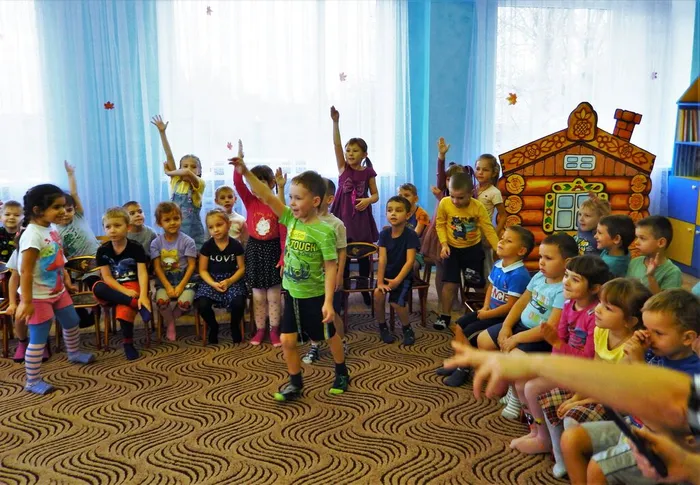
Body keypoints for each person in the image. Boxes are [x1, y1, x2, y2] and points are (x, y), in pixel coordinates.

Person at [230, 145, 349, 401]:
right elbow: (266, 194)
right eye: (291, 197)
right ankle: (295, 382)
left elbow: (331, 266)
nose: (291, 202)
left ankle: (341, 371)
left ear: (315, 201)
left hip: (315, 296)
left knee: (329, 337)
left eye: (297, 198)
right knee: (287, 340)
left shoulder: (325, 231)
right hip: (292, 294)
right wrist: (244, 171)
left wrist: (328, 302)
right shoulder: (289, 218)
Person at [564, 289, 700, 484]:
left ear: (687, 338)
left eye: (658, 333)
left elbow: (662, 416)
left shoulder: (691, 376)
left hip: (662, 443)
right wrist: (631, 355)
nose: (649, 337)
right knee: (571, 438)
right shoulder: (653, 351)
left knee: (598, 467)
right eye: (647, 329)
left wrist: (639, 365)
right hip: (634, 426)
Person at [536, 277, 650, 477]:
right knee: (550, 398)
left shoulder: (632, 347)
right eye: (600, 303)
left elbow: (614, 388)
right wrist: (575, 397)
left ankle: (586, 464)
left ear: (630, 321)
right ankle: (562, 458)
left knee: (572, 416)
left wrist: (579, 402)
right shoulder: (601, 331)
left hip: (618, 401)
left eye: (608, 308)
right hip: (598, 389)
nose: (597, 309)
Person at [508, 256, 610, 458]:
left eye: (575, 279)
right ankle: (536, 430)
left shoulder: (595, 316)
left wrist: (556, 345)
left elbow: (587, 357)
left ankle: (544, 439)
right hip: (563, 363)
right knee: (520, 380)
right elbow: (560, 338)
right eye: (566, 275)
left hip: (581, 373)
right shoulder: (569, 304)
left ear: (594, 288)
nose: (566, 282)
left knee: (531, 387)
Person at [476, 233, 578, 420]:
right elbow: (521, 302)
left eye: (548, 258)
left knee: (514, 359)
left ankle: (516, 397)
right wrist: (506, 326)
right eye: (540, 257)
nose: (541, 262)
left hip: (539, 338)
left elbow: (550, 327)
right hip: (520, 327)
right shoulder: (538, 276)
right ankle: (510, 386)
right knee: (483, 339)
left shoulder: (563, 290)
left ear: (567, 262)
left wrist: (515, 339)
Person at [15, 184, 95, 394]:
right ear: (38, 210)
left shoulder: (50, 229)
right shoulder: (32, 235)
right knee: (39, 338)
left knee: (72, 321)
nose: (63, 211)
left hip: (58, 290)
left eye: (64, 206)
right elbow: (26, 271)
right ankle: (32, 381)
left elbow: (58, 257)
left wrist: (66, 279)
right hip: (38, 297)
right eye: (56, 207)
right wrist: (27, 302)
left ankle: (74, 353)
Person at [436, 225, 534, 387]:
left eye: (508, 241)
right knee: (459, 325)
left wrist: (488, 314)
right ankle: (459, 360)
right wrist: (486, 306)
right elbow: (490, 287)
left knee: (468, 332)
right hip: (490, 311)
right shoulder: (498, 265)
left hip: (503, 317)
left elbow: (511, 306)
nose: (501, 242)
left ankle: (463, 368)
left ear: (521, 251)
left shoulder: (519, 275)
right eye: (502, 239)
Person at [233, 142, 285, 347]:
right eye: (253, 183)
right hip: (255, 250)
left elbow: (283, 234)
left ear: (271, 184)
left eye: (261, 183)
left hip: (273, 250)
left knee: (273, 296)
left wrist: (283, 256)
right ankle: (260, 329)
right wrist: (239, 163)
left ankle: (274, 330)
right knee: (257, 295)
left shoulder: (276, 204)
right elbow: (238, 183)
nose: (256, 188)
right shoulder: (250, 201)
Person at [434, 171, 500, 331]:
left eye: (460, 197)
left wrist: (498, 248)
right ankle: (444, 316)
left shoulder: (478, 207)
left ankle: (485, 312)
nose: (455, 201)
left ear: (471, 193)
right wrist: (444, 244)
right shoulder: (444, 203)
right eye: (452, 196)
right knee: (449, 284)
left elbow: (488, 229)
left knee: (477, 283)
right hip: (452, 250)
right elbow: (440, 224)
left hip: (472, 250)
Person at [329, 106, 379, 306]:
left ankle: (364, 288)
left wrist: (367, 200)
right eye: (348, 150)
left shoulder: (368, 172)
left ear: (364, 154)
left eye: (355, 150)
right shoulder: (343, 168)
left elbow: (375, 195)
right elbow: (336, 144)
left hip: (361, 218)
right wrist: (335, 122)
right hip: (343, 216)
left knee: (364, 255)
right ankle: (343, 291)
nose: (350, 153)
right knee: (345, 254)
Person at [92, 207, 152, 360]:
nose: (112, 230)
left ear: (128, 227)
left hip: (132, 283)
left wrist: (143, 296)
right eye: (108, 227)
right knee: (98, 287)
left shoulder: (136, 248)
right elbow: (107, 277)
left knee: (123, 309)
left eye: (117, 226)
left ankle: (128, 343)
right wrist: (125, 293)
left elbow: (142, 273)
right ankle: (133, 303)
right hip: (114, 288)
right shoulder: (102, 250)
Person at [303, 178, 348, 365]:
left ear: (329, 199)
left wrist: (339, 275)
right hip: (310, 276)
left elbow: (342, 251)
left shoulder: (336, 224)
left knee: (333, 312)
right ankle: (314, 345)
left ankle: (341, 341)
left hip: (330, 275)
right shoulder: (305, 220)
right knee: (313, 312)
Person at [151, 115, 206, 249]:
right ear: (179, 169)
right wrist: (162, 133)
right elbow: (169, 155)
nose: (189, 169)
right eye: (185, 166)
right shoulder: (176, 180)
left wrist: (168, 172)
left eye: (194, 166)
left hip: (193, 235)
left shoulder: (199, 184)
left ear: (199, 171)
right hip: (174, 232)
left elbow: (187, 173)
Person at [194, 209, 247, 345]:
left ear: (228, 224)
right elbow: (202, 270)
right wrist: (213, 283)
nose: (215, 230)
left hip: (232, 279)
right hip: (211, 280)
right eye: (211, 227)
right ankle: (213, 326)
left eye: (219, 225)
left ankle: (234, 326)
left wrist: (229, 281)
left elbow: (242, 268)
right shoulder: (207, 246)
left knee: (239, 303)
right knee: (202, 304)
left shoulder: (236, 245)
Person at [374, 196, 422, 346]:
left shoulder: (411, 235)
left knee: (396, 303)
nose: (393, 213)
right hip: (387, 276)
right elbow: (382, 259)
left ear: (408, 215)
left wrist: (397, 281)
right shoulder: (384, 234)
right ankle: (383, 326)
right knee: (378, 294)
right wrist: (380, 282)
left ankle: (407, 329)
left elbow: (410, 262)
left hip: (403, 277)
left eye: (398, 210)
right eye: (389, 210)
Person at [150, 202, 198, 341]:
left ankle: (173, 318)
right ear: (160, 223)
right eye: (167, 220)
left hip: (185, 279)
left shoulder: (188, 241)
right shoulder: (156, 243)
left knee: (184, 304)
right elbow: (157, 268)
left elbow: (191, 266)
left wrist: (181, 286)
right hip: (165, 280)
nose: (172, 223)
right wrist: (168, 286)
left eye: (176, 218)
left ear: (181, 219)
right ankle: (171, 323)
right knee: (161, 302)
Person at [626, 215, 682, 294]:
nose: (636, 242)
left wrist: (651, 277)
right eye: (637, 237)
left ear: (661, 243)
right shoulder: (634, 262)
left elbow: (665, 301)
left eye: (642, 238)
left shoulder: (672, 272)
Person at [57, 161, 100, 260]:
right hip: (75, 263)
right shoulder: (55, 230)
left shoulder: (78, 216)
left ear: (75, 209)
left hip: (96, 256)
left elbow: (74, 194)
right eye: (61, 211)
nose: (65, 214)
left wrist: (70, 174)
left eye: (69, 210)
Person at [474, 154, 506, 274]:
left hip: (484, 233)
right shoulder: (473, 189)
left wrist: (494, 234)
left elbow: (503, 216)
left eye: (485, 170)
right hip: (471, 232)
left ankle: (489, 285)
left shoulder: (494, 192)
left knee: (486, 266)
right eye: (478, 169)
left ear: (493, 173)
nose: (480, 172)